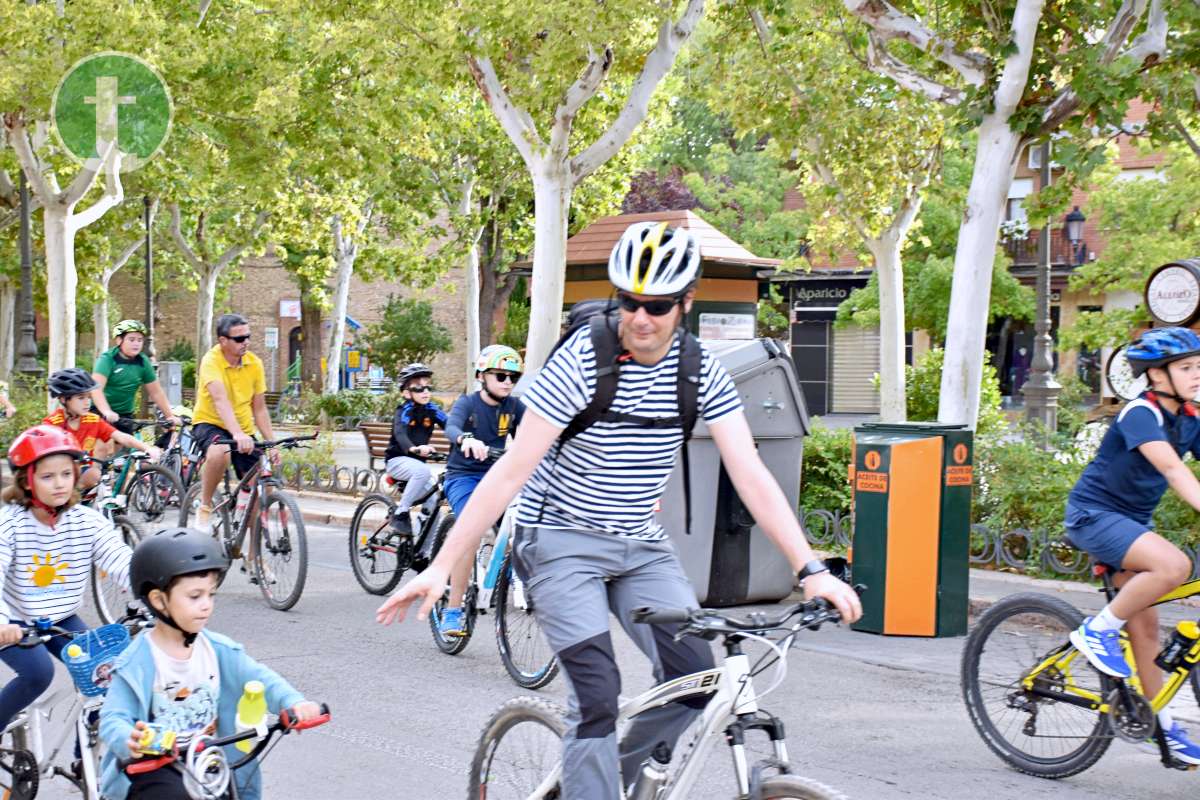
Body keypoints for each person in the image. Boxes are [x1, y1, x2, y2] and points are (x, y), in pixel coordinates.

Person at [377, 221, 862, 799]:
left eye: (657, 305)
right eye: (628, 301)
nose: (640, 318)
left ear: (686, 302)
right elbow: (510, 472)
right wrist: (440, 567)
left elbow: (750, 472)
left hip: (641, 544)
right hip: (557, 542)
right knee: (598, 694)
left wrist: (811, 569)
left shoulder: (700, 370)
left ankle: (610, 784)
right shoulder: (583, 361)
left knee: (695, 681)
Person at [99, 528, 324, 800]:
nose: (206, 605)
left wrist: (294, 703)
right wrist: (129, 739)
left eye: (211, 594)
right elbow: (113, 718)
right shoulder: (136, 662)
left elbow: (262, 680)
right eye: (195, 597)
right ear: (159, 601)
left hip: (210, 763)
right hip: (154, 768)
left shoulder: (217, 650)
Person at [1064, 326, 1200, 765]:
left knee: (1145, 631)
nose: (1197, 374)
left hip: (1131, 523)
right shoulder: (1140, 415)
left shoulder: (1190, 418)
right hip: (1094, 517)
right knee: (1174, 566)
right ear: (1158, 376)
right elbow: (1175, 472)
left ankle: (1160, 726)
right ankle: (1095, 631)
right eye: (1186, 367)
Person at [0, 425, 134, 733]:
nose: (59, 484)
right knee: (37, 673)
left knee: (104, 673)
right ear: (27, 481)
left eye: (65, 474)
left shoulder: (86, 520)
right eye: (47, 477)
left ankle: (83, 760)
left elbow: (120, 558)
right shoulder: (10, 523)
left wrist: (156, 590)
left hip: (62, 617)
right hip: (15, 620)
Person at [437, 345, 526, 638]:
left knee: (524, 526)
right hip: (464, 477)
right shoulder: (468, 404)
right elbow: (451, 426)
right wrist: (465, 439)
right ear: (482, 376)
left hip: (498, 477)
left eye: (514, 376)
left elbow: (533, 437)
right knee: (470, 534)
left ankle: (512, 576)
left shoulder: (514, 407)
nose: (508, 382)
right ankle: (453, 610)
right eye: (501, 375)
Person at [191, 314, 279, 530]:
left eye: (248, 337)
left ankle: (252, 558)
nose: (246, 342)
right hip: (210, 422)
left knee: (262, 483)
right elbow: (220, 401)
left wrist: (272, 442)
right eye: (239, 339)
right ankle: (204, 506)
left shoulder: (254, 363)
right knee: (220, 451)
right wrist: (237, 434)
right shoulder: (211, 361)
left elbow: (259, 408)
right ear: (223, 341)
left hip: (243, 429)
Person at [43, 368, 162, 492]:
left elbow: (121, 437)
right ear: (63, 399)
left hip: (82, 474)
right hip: (58, 477)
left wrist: (147, 448)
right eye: (81, 398)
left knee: (96, 475)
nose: (87, 402)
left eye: (89, 397)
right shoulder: (52, 424)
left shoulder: (93, 420)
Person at [382, 363, 448, 535]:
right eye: (418, 388)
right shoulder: (404, 410)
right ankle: (401, 513)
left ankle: (421, 553)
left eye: (428, 387)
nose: (425, 391)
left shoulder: (432, 410)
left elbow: (451, 426)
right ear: (406, 393)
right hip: (397, 461)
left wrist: (468, 440)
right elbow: (400, 434)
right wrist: (414, 449)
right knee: (423, 471)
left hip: (417, 466)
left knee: (434, 502)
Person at [90, 320, 182, 435]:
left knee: (124, 449)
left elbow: (156, 392)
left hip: (125, 414)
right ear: (119, 340)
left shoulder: (143, 362)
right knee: (104, 447)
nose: (136, 344)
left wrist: (170, 416)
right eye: (131, 339)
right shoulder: (107, 359)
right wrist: (106, 411)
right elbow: (96, 389)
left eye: (140, 340)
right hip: (101, 411)